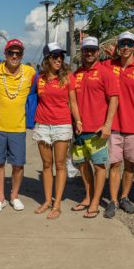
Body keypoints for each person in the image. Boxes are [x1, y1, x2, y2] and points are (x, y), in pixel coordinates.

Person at [0, 39, 35, 213]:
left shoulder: (29, 72)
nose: (14, 56)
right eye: (11, 53)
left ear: (22, 55)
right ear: (4, 54)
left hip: (18, 127)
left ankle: (14, 195)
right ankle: (0, 198)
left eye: (18, 53)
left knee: (18, 165)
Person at [32, 43, 82, 220]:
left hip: (62, 125)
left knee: (60, 165)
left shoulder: (68, 77)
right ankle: (47, 201)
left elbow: (73, 102)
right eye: (55, 56)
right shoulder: (39, 78)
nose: (59, 59)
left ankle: (57, 204)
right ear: (47, 59)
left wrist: (78, 121)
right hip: (42, 125)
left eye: (61, 56)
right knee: (47, 165)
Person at [71, 37, 119, 218]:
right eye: (86, 50)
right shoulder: (76, 74)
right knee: (83, 166)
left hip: (97, 130)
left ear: (98, 52)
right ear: (81, 52)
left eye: (92, 50)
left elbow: (114, 98)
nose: (89, 53)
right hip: (79, 130)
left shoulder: (106, 73)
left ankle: (96, 202)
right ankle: (88, 196)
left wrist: (107, 125)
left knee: (99, 166)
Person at [102, 31, 134, 218]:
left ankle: (125, 196)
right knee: (115, 163)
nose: (126, 47)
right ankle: (113, 200)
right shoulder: (108, 65)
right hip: (114, 124)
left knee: (130, 164)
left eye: (129, 44)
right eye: (122, 44)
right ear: (118, 46)